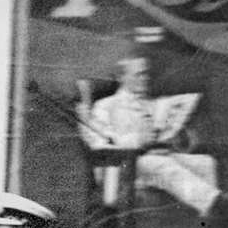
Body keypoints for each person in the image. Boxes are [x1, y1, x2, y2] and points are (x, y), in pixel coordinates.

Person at [79, 49, 218, 216]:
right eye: (139, 75)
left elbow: (157, 136)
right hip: (119, 168)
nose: (145, 79)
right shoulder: (105, 106)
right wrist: (138, 139)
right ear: (122, 77)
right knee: (159, 164)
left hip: (145, 162)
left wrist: (165, 141)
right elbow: (98, 144)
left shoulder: (151, 104)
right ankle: (218, 206)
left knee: (205, 163)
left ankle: (207, 217)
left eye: (146, 74)